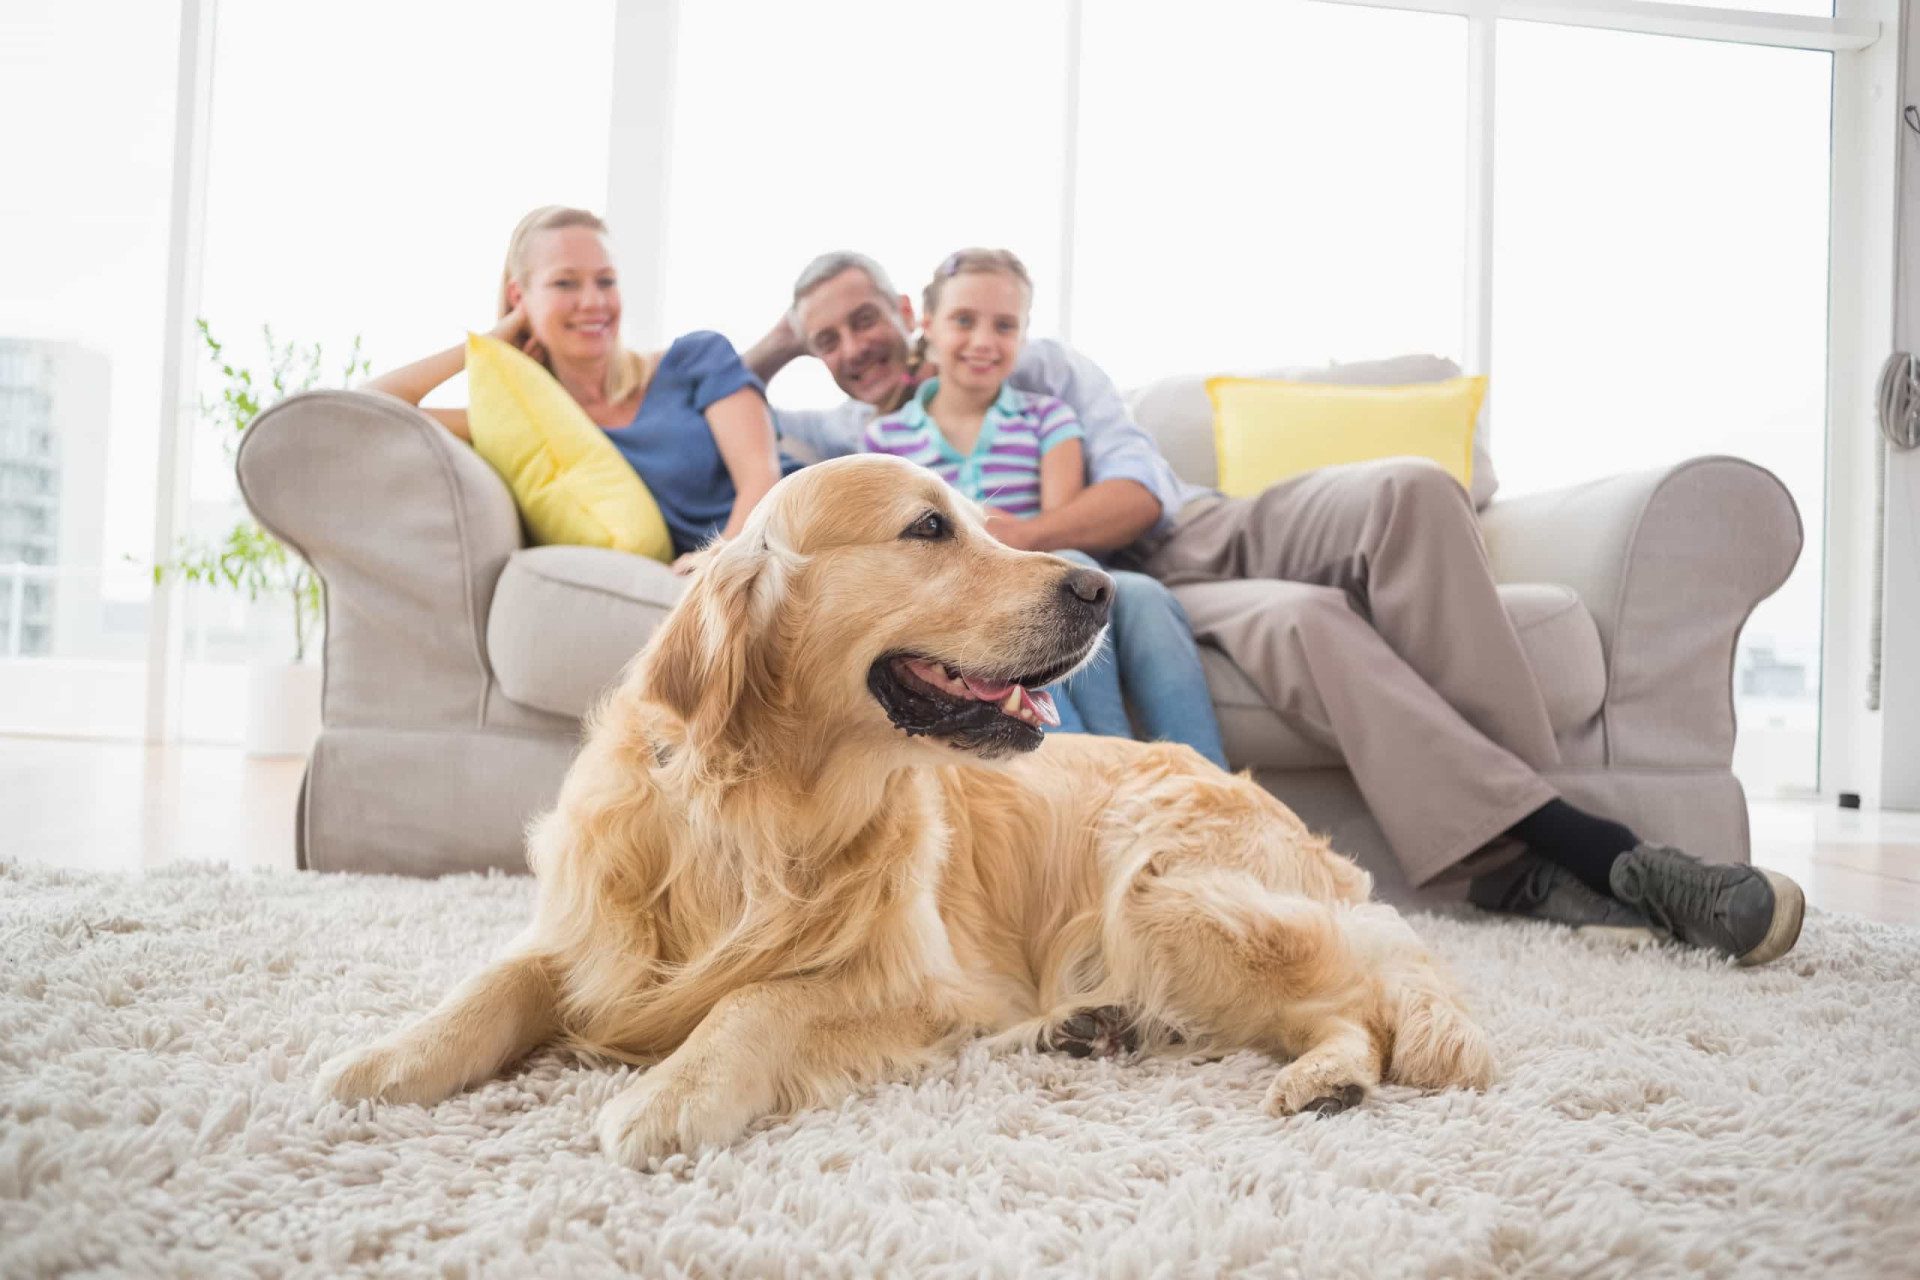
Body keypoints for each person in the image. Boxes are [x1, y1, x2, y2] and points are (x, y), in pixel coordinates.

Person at [745, 250, 1805, 966]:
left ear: (906, 310)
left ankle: (1539, 853)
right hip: (1151, 595)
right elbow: (714, 404)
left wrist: (1017, 539)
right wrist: (778, 346)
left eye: (862, 320)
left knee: (1412, 489)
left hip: (1198, 528)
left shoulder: (1033, 365)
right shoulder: (850, 441)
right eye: (825, 339)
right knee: (1306, 627)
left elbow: (1138, 492)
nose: (852, 348)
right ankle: (1598, 853)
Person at [862, 248, 1227, 768]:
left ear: (1024, 335)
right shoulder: (885, 438)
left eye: (1005, 326)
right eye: (964, 320)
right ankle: (1099, 766)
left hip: (1043, 572)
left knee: (1144, 595)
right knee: (1113, 584)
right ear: (928, 325)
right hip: (967, 595)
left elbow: (1059, 541)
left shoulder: (1047, 417)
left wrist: (1021, 540)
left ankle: (1210, 776)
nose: (984, 341)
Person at [366, 205, 798, 571]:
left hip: (797, 529)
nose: (593, 302)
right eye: (565, 283)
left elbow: (761, 476)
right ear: (519, 297)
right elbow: (365, 412)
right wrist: (486, 342)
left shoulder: (695, 357)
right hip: (740, 584)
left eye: (606, 281)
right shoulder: (531, 428)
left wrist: (716, 566)